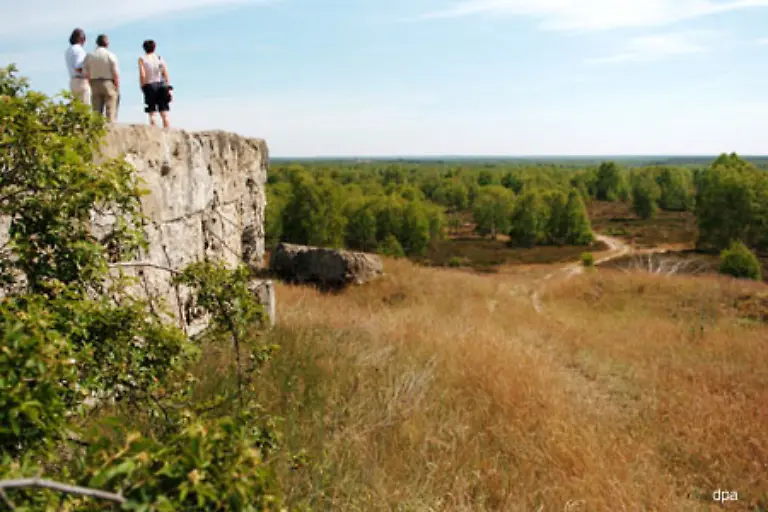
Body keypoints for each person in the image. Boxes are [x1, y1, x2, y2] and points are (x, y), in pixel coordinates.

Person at [84, 34, 120, 122]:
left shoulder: (89, 55)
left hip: (94, 82)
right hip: (108, 82)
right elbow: (115, 73)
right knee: (110, 111)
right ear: (107, 43)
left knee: (96, 112)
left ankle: (96, 132)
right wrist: (117, 86)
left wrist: (90, 84)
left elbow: (86, 73)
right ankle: (110, 131)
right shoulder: (110, 55)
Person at [138, 40, 173, 128]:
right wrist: (168, 87)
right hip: (161, 85)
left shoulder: (142, 59)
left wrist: (142, 85)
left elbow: (142, 74)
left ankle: (154, 131)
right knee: (164, 112)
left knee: (152, 112)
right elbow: (165, 73)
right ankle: (167, 131)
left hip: (149, 85)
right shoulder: (159, 58)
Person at [65, 28, 90, 104]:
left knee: (76, 107)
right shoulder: (79, 50)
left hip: (73, 81)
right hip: (81, 81)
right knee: (84, 108)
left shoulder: (68, 50)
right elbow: (79, 67)